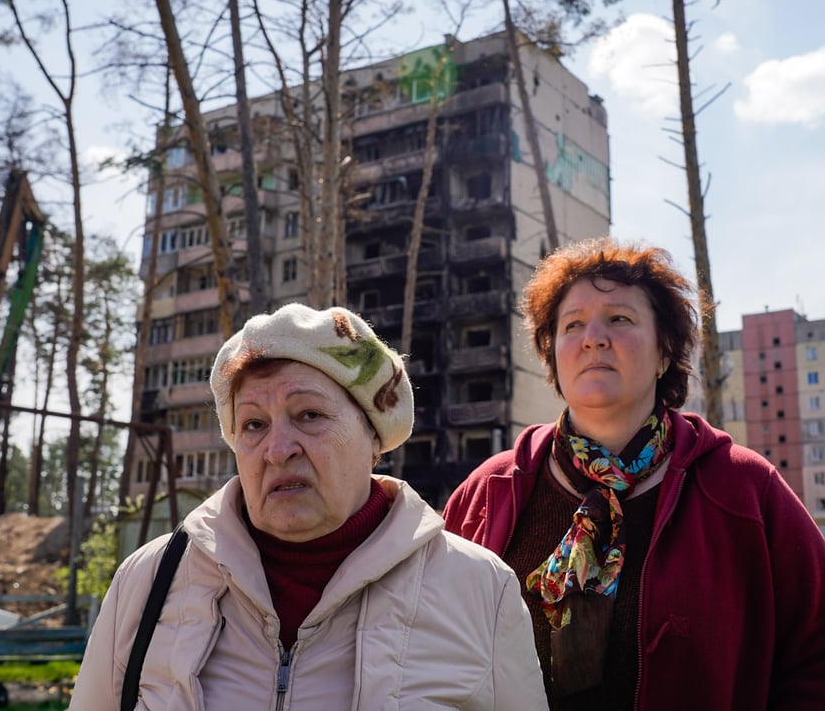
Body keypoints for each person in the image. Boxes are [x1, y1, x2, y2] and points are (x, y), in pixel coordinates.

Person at [442, 237, 825, 709]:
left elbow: (823, 661)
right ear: (552, 354)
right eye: (573, 324)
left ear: (665, 350)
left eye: (619, 319)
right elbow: (430, 650)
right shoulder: (490, 491)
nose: (593, 337)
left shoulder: (745, 489)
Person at [72, 303, 547, 710]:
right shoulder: (150, 580)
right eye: (254, 424)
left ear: (373, 437)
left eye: (309, 415)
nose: (278, 449)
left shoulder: (481, 590)